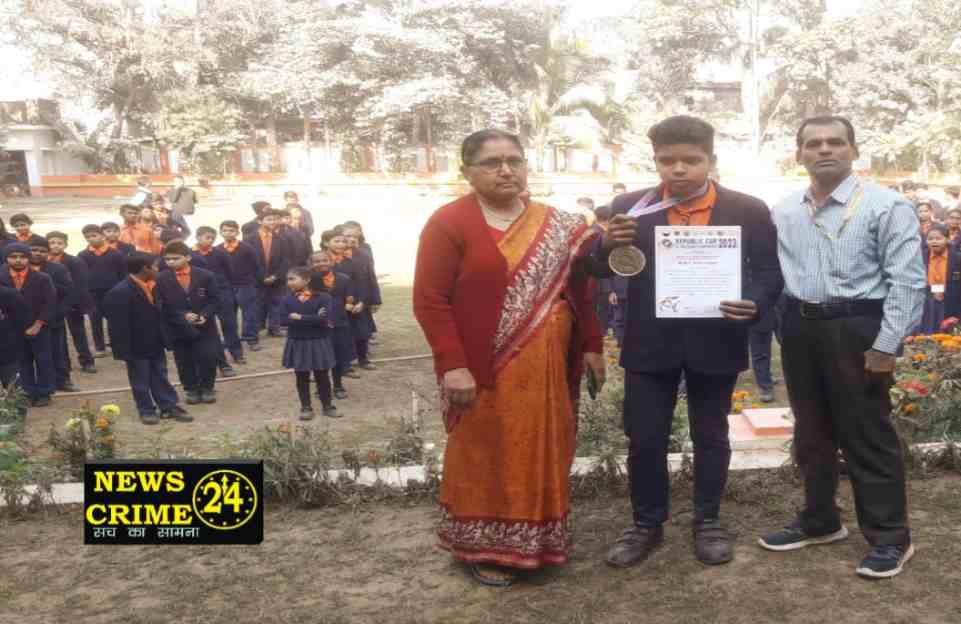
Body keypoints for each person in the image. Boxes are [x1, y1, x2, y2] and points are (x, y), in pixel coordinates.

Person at [413, 129, 605, 586]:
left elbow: (581, 290)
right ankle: (485, 545)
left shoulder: (559, 224)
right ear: (467, 172)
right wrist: (453, 366)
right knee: (486, 450)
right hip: (483, 368)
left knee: (541, 446)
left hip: (547, 365)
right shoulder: (449, 222)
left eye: (514, 161)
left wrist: (593, 344)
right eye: (491, 163)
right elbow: (430, 301)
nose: (505, 170)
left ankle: (538, 541)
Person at [589, 115, 783, 568]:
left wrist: (754, 303)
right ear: (655, 160)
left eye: (691, 160)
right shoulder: (631, 205)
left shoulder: (747, 208)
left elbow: (769, 271)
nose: (678, 169)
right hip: (649, 342)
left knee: (711, 435)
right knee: (644, 437)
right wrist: (605, 245)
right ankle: (646, 523)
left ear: (711, 159)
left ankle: (708, 521)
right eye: (666, 160)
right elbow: (598, 269)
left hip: (716, 338)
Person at [760, 115, 925, 579]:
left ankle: (890, 538)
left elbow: (907, 282)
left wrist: (886, 345)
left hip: (858, 327)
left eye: (835, 142)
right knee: (811, 431)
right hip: (800, 326)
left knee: (866, 432)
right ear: (799, 154)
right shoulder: (784, 210)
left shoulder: (886, 206)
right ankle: (820, 520)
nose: (824, 150)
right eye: (813, 143)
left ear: (854, 150)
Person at [104, 252, 191, 425]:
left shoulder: (154, 286)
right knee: (140, 379)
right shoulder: (120, 292)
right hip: (136, 345)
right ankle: (146, 409)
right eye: (155, 266)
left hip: (156, 341)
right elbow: (117, 326)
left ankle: (168, 406)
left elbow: (165, 310)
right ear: (145, 268)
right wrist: (124, 351)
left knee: (160, 374)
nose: (158, 269)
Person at [156, 241, 221, 405]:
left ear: (188, 257)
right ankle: (190, 388)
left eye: (175, 258)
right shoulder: (161, 278)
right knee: (184, 360)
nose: (171, 262)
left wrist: (204, 315)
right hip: (178, 327)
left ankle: (207, 387)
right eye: (167, 259)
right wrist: (183, 316)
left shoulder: (206, 275)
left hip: (204, 326)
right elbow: (161, 304)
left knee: (208, 357)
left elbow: (215, 299)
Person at [0, 243, 57, 407]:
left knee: (43, 359)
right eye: (13, 257)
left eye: (22, 257)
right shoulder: (1, 278)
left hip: (39, 326)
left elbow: (50, 303)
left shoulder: (42, 278)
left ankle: (45, 392)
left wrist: (38, 324)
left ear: (28, 258)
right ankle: (27, 392)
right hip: (12, 329)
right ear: (6, 259)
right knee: (21, 361)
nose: (18, 260)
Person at [280, 266, 338, 419]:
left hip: (318, 341)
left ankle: (328, 406)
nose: (289, 283)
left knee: (322, 375)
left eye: (292, 279)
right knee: (301, 376)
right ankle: (306, 407)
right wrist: (314, 317)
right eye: (287, 279)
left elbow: (325, 320)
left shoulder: (323, 297)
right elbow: (282, 320)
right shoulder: (287, 299)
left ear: (306, 280)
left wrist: (299, 317)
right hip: (298, 341)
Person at [29, 239, 78, 394]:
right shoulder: (19, 268)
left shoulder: (57, 269)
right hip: (27, 319)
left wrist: (58, 312)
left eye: (42, 251)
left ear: (48, 253)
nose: (37, 253)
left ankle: (62, 380)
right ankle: (32, 385)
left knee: (58, 351)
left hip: (53, 318)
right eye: (34, 249)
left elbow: (68, 292)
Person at [46, 232, 97, 375]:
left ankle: (87, 361)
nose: (55, 246)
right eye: (52, 243)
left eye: (59, 243)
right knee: (59, 335)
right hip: (53, 304)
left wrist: (75, 303)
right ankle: (64, 363)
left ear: (65, 244)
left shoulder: (74, 261)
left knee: (78, 332)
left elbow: (81, 284)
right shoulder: (44, 262)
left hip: (73, 304)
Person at [194, 226, 243, 367]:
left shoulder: (220, 253)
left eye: (213, 238)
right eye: (207, 237)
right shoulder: (191, 255)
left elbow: (230, 272)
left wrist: (227, 289)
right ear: (197, 237)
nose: (210, 241)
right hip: (202, 296)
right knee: (208, 328)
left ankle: (237, 353)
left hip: (222, 292)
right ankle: (216, 359)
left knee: (229, 324)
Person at [309, 249, 355, 400]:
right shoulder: (308, 280)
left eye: (324, 260)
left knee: (338, 356)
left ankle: (338, 385)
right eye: (317, 261)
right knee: (319, 357)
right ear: (311, 264)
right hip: (317, 325)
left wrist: (351, 304)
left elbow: (350, 297)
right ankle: (321, 387)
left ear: (331, 261)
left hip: (339, 323)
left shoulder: (344, 279)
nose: (321, 263)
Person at [328, 229, 373, 371]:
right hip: (334, 304)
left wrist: (361, 301)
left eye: (343, 241)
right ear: (326, 243)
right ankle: (344, 365)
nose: (341, 244)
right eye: (337, 241)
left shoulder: (352, 262)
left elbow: (361, 282)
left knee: (361, 332)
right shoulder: (322, 261)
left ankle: (363, 359)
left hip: (354, 302)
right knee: (340, 335)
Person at [217, 220, 264, 353]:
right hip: (226, 287)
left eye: (231, 231)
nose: (228, 233)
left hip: (245, 285)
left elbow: (256, 266)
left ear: (237, 232)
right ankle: (230, 339)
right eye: (225, 230)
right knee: (228, 315)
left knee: (249, 314)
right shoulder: (218, 249)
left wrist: (256, 283)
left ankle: (251, 338)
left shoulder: (246, 248)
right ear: (221, 233)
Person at [244, 208, 291, 340]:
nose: (272, 222)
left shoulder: (281, 239)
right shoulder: (249, 239)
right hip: (256, 278)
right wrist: (262, 276)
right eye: (269, 219)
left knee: (276, 303)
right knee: (256, 304)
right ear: (260, 221)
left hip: (276, 278)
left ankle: (274, 328)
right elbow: (247, 260)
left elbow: (285, 260)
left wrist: (275, 276)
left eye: (275, 219)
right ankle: (255, 330)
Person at [79, 225, 125, 358]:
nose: (91, 239)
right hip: (92, 293)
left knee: (114, 320)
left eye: (94, 235)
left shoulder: (115, 254)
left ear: (102, 236)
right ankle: (100, 347)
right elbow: (81, 276)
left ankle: (116, 346)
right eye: (88, 237)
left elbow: (122, 274)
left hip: (112, 292)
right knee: (95, 320)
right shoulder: (83, 255)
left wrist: (121, 290)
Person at [917, 223, 961, 334]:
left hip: (951, 305)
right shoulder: (920, 258)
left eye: (938, 238)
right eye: (930, 239)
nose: (934, 241)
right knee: (927, 337)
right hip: (927, 305)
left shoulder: (957, 259)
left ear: (947, 239)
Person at [0, 282, 29, 389]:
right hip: (9, 346)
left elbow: (22, 320)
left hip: (8, 348)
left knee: (12, 385)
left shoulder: (10, 295)